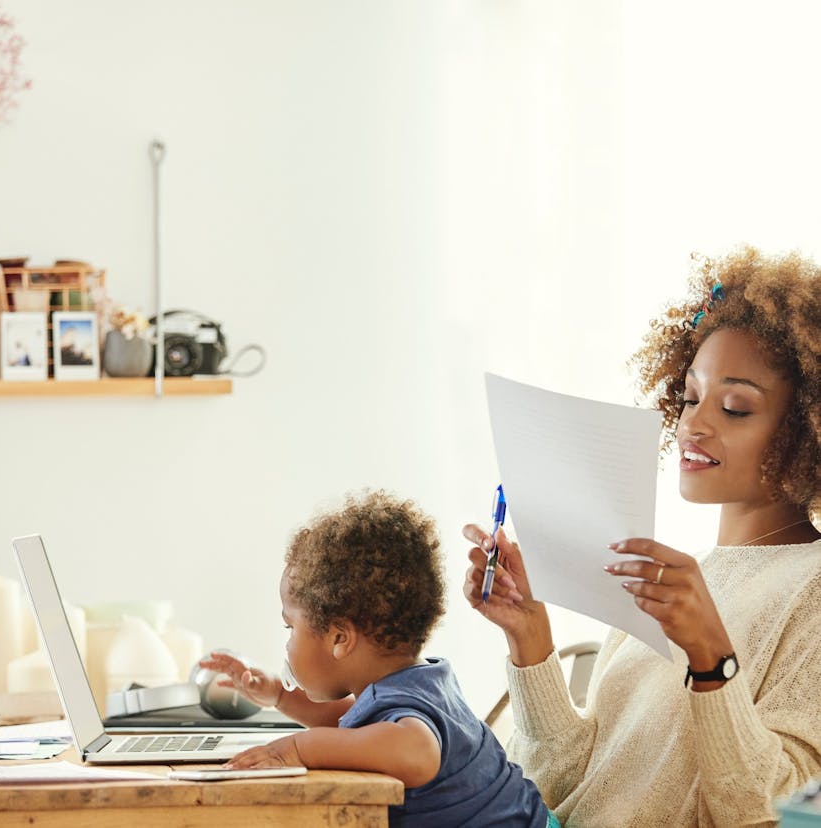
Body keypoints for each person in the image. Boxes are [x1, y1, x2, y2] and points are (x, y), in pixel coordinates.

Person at [462, 246, 821, 827]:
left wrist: (711, 659)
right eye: (689, 397)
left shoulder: (811, 588)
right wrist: (529, 638)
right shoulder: (674, 580)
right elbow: (565, 785)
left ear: (806, 428)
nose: (693, 424)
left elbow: (773, 813)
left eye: (734, 407)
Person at [202, 489, 558, 828]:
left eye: (289, 627)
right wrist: (280, 695)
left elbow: (416, 752)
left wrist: (297, 748)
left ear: (340, 638)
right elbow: (354, 727)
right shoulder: (418, 682)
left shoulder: (407, 713)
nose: (287, 645)